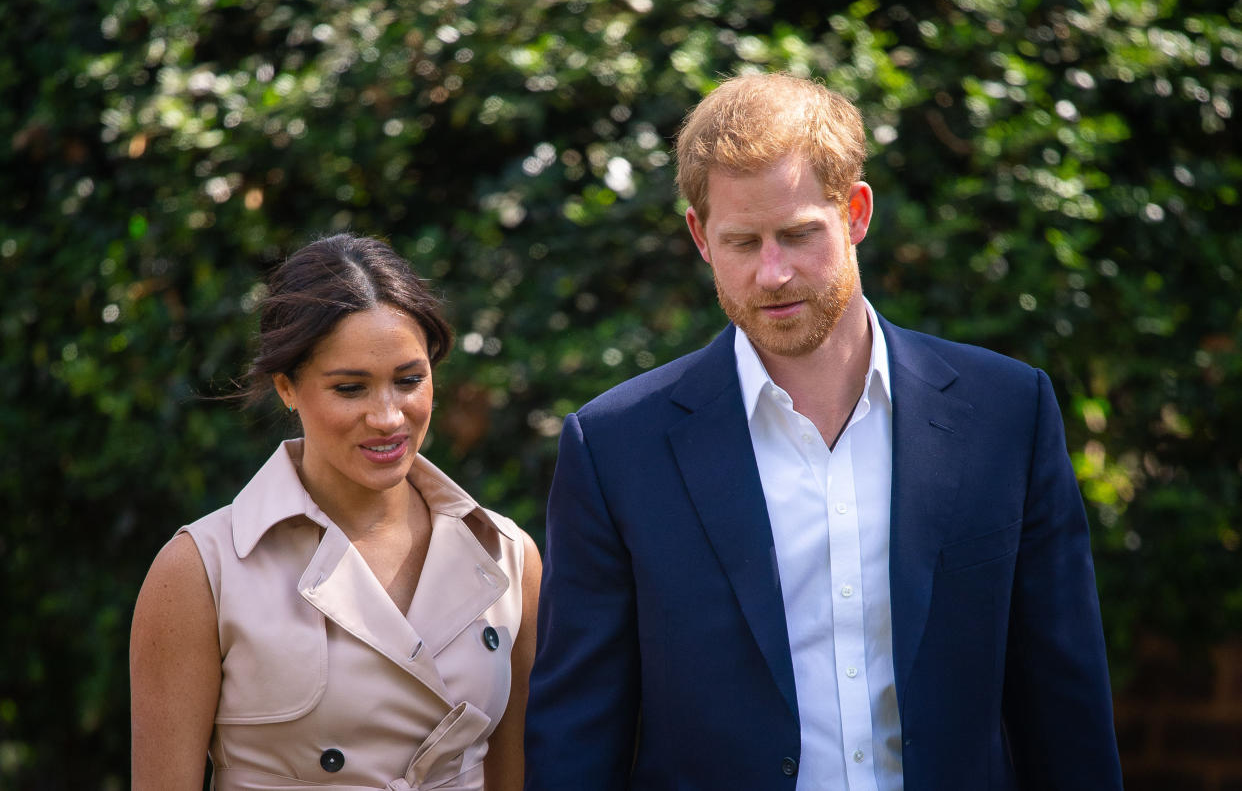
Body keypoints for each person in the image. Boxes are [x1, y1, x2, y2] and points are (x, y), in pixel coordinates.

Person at [523, 73, 1122, 790]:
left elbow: (1065, 702)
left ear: (856, 211)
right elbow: (577, 739)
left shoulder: (1006, 412)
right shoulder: (614, 447)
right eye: (742, 242)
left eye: (799, 233)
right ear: (698, 236)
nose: (772, 274)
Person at [131, 234, 541, 791]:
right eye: (350, 388)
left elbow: (515, 774)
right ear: (287, 389)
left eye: (409, 380)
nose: (388, 417)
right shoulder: (202, 569)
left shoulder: (506, 555)